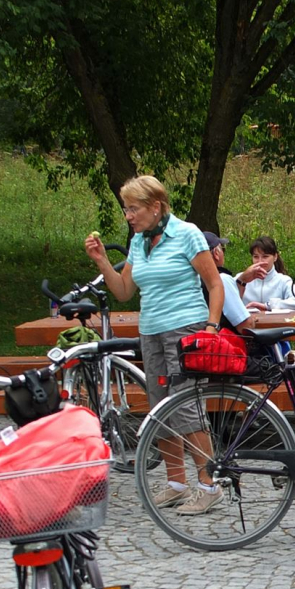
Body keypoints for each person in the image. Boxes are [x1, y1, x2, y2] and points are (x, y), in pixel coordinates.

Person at [84, 176, 226, 515]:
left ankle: (210, 485)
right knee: (160, 407)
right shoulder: (138, 241)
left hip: (186, 330)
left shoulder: (187, 234)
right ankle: (176, 483)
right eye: (126, 209)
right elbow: (123, 291)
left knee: (187, 407)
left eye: (133, 209)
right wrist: (102, 261)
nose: (128, 216)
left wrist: (211, 327)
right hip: (151, 332)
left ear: (156, 207)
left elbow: (215, 284)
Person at [235, 236, 295, 311]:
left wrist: (268, 306)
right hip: (247, 322)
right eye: (256, 257)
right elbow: (225, 301)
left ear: (275, 257)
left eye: (265, 257)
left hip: (275, 322)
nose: (260, 261)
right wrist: (242, 280)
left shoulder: (284, 281)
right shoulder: (240, 277)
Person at [203, 231, 249, 330]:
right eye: (223, 249)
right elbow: (244, 325)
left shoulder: (192, 279)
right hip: (224, 340)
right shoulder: (222, 279)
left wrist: (242, 280)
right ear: (216, 253)